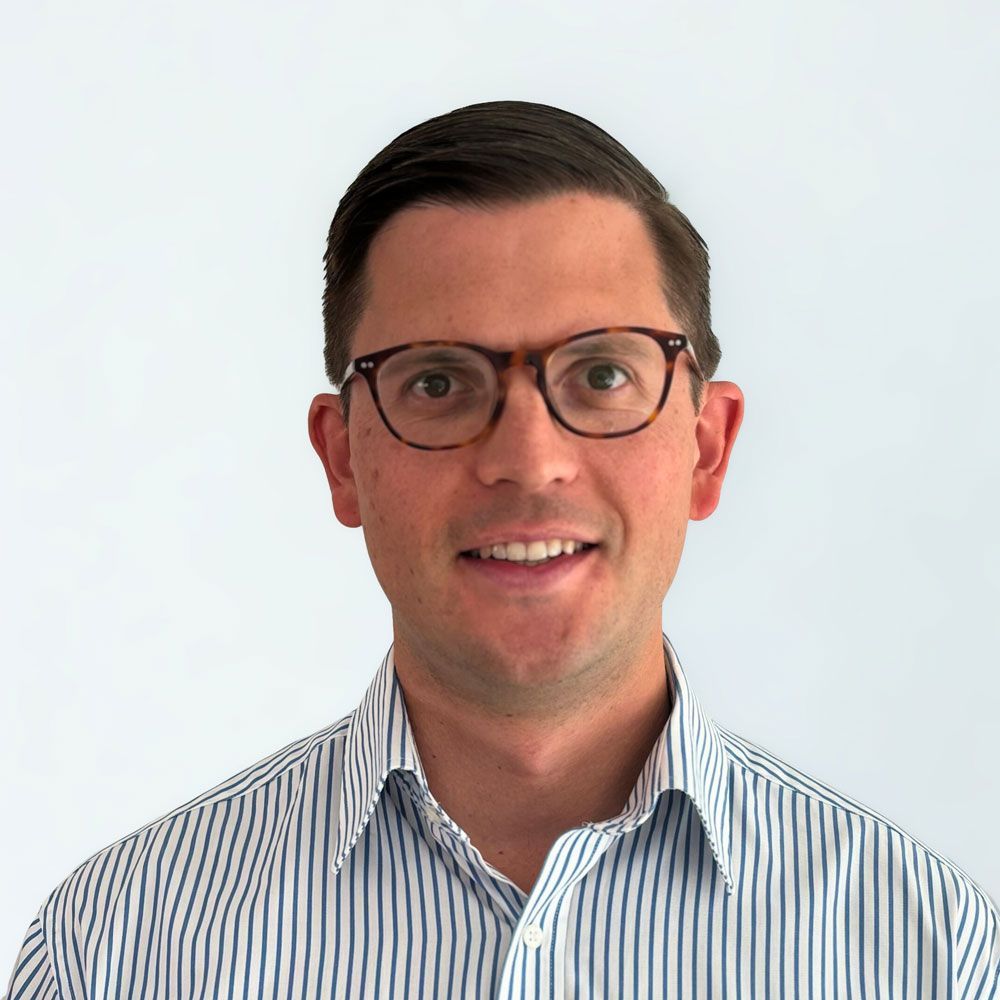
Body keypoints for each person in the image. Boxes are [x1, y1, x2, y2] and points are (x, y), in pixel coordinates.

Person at [5, 100, 998, 1000]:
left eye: (600, 372)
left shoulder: (925, 949)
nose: (528, 460)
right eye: (438, 382)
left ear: (706, 446)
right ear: (342, 458)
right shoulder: (118, 950)